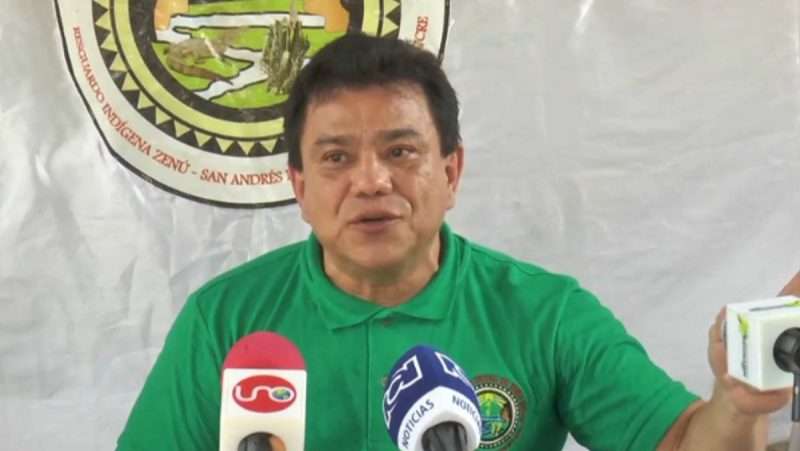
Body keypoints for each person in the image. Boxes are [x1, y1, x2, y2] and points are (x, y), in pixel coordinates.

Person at [116, 33, 795, 450]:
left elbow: (682, 443)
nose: (371, 181)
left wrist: (737, 403)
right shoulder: (225, 322)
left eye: (400, 151)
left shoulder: (547, 314)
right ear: (299, 185)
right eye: (336, 158)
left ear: (451, 172)